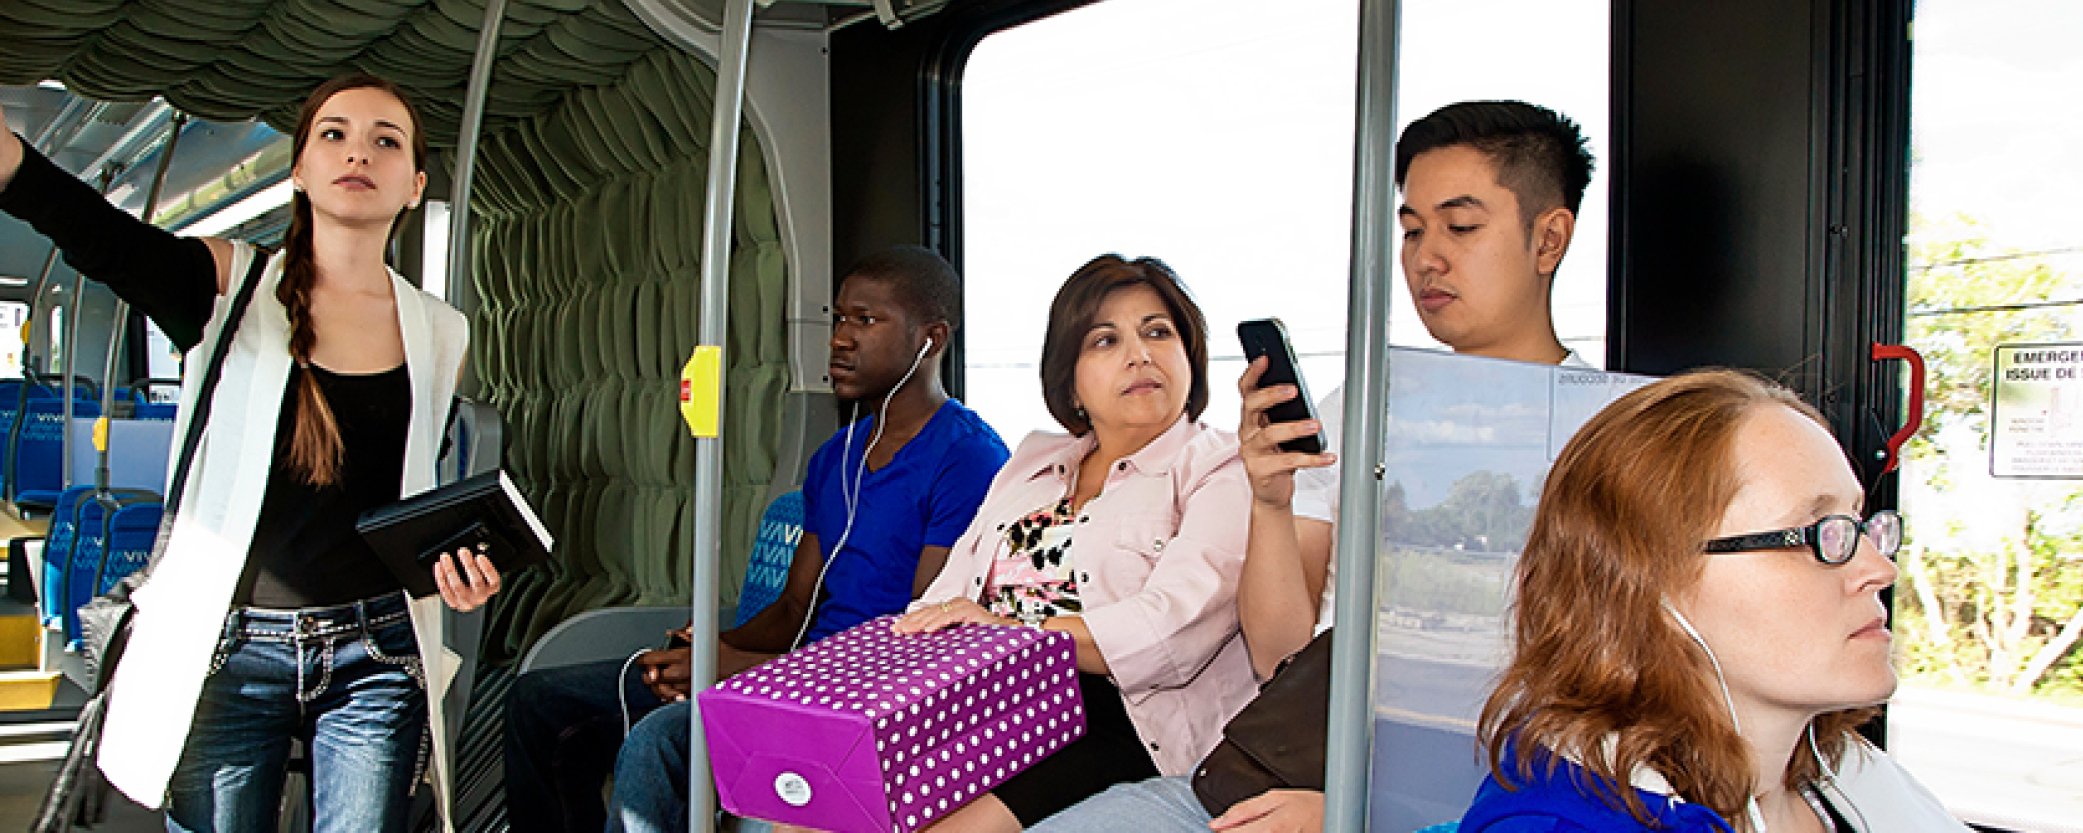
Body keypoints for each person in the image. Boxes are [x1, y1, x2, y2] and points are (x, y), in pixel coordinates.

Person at [1028, 99, 1598, 833]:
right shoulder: (1355, 405)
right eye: (1412, 230)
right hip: (1290, 758)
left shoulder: (1607, 432)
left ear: (1547, 239)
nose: (1426, 257)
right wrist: (1268, 499)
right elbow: (1279, 654)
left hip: (1463, 796)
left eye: (1460, 227)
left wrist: (1361, 811)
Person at [0, 76, 498, 831]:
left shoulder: (441, 330)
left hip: (378, 647)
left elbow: (401, 494)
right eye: (332, 134)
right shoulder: (228, 285)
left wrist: (449, 566)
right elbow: (94, 232)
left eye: (384, 140)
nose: (357, 150)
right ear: (298, 169)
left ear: (414, 184)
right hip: (227, 646)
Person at [505, 246, 1011, 833]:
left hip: (865, 702)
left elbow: (922, 639)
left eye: (865, 321)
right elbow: (796, 608)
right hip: (792, 675)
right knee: (538, 702)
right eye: (838, 318)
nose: (840, 339)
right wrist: (705, 651)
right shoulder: (836, 458)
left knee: (659, 742)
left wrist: (734, 667)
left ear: (932, 338)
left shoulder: (967, 458)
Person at [1458, 370, 1966, 831]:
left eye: (1858, 525)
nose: (1880, 568)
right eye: (1818, 535)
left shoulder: (1855, 781)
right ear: (1649, 587)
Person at [889, 253, 1258, 833]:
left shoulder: (1219, 466)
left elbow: (1173, 628)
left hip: (1114, 715)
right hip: (990, 703)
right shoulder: (1032, 462)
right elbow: (945, 596)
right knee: (811, 813)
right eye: (1105, 341)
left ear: (1191, 358)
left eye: (1158, 332)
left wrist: (1018, 639)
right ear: (1071, 382)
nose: (1140, 354)